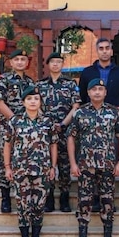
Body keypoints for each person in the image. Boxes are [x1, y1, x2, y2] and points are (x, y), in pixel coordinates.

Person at [67, 78, 119, 237]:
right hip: (85, 165)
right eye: (94, 89)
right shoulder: (80, 113)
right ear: (88, 92)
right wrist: (72, 163)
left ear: (105, 92)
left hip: (107, 165)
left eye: (101, 89)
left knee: (107, 201)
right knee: (84, 201)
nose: (97, 92)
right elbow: (71, 137)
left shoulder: (114, 112)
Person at [78, 37, 119, 212]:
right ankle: (92, 197)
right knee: (90, 164)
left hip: (112, 122)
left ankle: (107, 199)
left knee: (109, 163)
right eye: (101, 48)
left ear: (111, 50)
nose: (105, 51)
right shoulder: (87, 72)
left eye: (108, 48)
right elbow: (83, 98)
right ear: (97, 51)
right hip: (90, 123)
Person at [3, 85, 57, 237]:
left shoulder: (48, 121)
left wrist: (53, 167)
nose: (33, 102)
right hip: (21, 170)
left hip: (42, 170)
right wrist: (7, 167)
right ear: (23, 102)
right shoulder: (15, 121)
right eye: (29, 99)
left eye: (36, 99)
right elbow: (7, 144)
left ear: (40, 102)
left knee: (39, 205)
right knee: (23, 205)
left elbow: (53, 145)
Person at [37, 52, 82, 213]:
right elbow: (36, 106)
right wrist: (48, 123)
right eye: (53, 62)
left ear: (62, 65)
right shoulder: (40, 85)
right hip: (45, 131)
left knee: (64, 165)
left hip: (65, 130)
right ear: (48, 65)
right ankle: (48, 197)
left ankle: (64, 197)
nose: (56, 64)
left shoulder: (70, 84)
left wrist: (63, 124)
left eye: (59, 62)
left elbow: (75, 106)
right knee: (47, 163)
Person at [0, 49, 35, 213]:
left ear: (27, 63)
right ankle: (5, 197)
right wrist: (15, 120)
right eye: (16, 59)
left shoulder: (31, 83)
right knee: (7, 162)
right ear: (11, 62)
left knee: (27, 160)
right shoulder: (4, 79)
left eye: (23, 59)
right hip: (8, 127)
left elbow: (36, 104)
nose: (20, 62)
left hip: (28, 129)